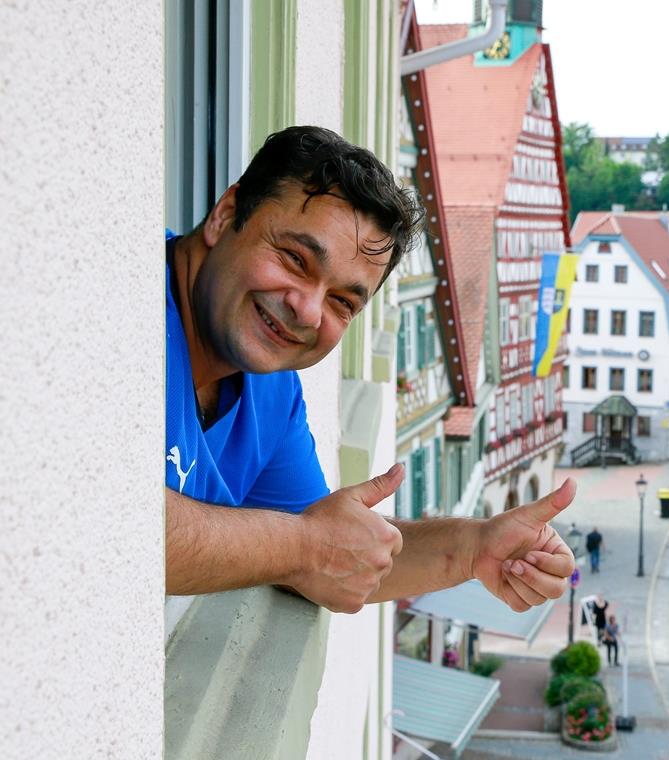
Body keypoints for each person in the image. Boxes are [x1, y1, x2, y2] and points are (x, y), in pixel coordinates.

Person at [165, 125, 576, 613]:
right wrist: (302, 548)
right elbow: (110, 523)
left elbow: (337, 550)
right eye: (295, 259)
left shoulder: (271, 389)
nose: (308, 310)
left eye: (342, 301)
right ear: (226, 214)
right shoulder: (115, 305)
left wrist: (475, 548)